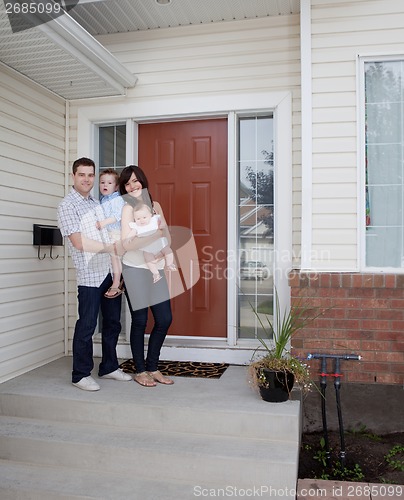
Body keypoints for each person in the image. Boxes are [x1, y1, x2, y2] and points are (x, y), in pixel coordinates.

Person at [57, 157, 132, 391]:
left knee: (112, 323)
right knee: (87, 324)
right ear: (73, 176)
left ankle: (109, 367)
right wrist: (111, 247)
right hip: (89, 275)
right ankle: (80, 374)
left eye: (91, 175)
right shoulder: (67, 206)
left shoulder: (95, 204)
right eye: (82, 175)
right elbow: (79, 243)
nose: (87, 179)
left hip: (109, 272)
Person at [119, 165, 175, 387]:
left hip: (157, 269)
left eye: (135, 181)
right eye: (127, 183)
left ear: (142, 181)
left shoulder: (156, 205)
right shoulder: (126, 209)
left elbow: (167, 236)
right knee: (140, 321)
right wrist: (152, 236)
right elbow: (126, 243)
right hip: (134, 269)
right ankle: (140, 370)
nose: (132, 186)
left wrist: (158, 241)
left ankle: (153, 366)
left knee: (164, 319)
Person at [128, 203, 176, 284]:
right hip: (147, 247)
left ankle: (170, 264)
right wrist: (129, 238)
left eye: (144, 217)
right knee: (148, 259)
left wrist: (160, 222)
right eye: (138, 218)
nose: (141, 220)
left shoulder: (153, 221)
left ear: (150, 215)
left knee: (168, 250)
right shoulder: (136, 226)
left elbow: (162, 225)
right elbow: (132, 232)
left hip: (159, 244)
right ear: (134, 219)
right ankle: (155, 274)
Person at [97, 168, 125, 298]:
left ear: (116, 186)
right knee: (112, 259)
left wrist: (103, 223)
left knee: (115, 258)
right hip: (108, 233)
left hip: (116, 232)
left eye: (109, 183)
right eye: (102, 182)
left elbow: (117, 216)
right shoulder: (103, 199)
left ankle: (116, 281)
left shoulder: (117, 199)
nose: (105, 185)